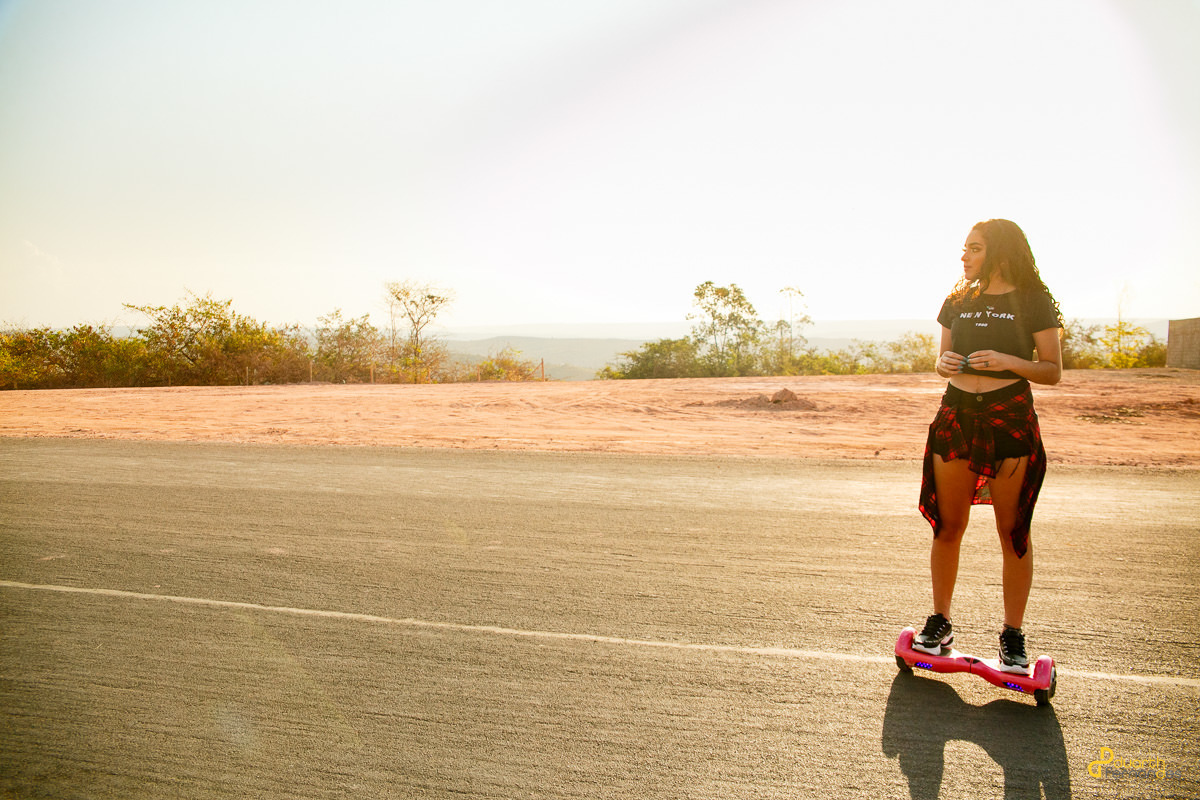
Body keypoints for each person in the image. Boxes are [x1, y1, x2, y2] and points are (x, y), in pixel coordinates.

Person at [913, 219, 1063, 672]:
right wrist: (944, 363)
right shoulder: (958, 298)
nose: (964, 257)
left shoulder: (1033, 300)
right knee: (948, 526)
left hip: (1009, 418)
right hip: (956, 414)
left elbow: (1053, 370)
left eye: (974, 249)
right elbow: (941, 360)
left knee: (1011, 530)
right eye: (964, 249)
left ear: (998, 251)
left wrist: (1007, 361)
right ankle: (940, 623)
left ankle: (1012, 636)